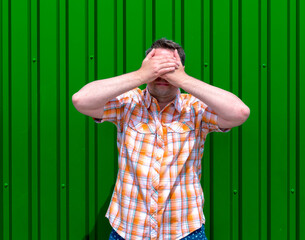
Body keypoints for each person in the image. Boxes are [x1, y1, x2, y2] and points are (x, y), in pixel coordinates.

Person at [72, 38, 250, 240]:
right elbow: (81, 100)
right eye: (156, 66)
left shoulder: (195, 109)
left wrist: (182, 79)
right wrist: (141, 75)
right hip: (129, 230)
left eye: (169, 67)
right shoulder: (128, 104)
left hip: (184, 231)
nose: (162, 73)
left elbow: (240, 112)